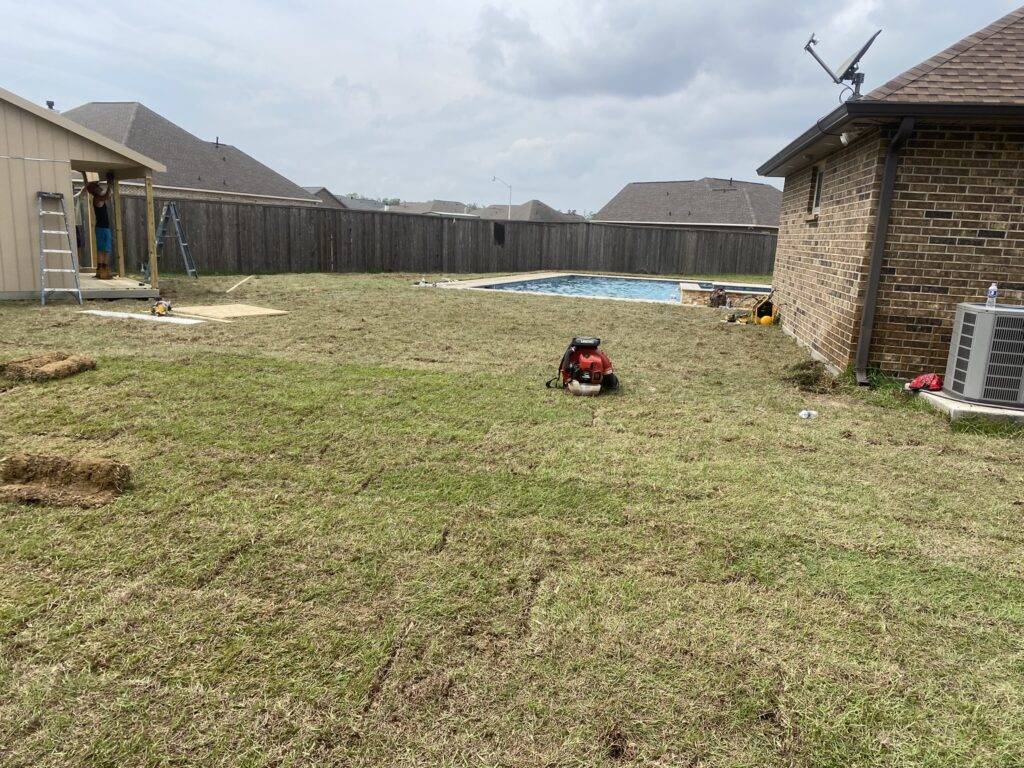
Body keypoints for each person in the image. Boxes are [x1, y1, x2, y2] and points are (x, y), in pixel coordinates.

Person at [85, 173, 116, 280]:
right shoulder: (98, 198)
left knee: (102, 249)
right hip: (103, 228)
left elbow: (108, 194)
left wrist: (109, 185)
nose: (99, 187)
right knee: (105, 249)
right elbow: (107, 195)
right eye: (97, 187)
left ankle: (100, 271)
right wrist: (110, 184)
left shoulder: (98, 197)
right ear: (94, 191)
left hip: (102, 228)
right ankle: (103, 271)